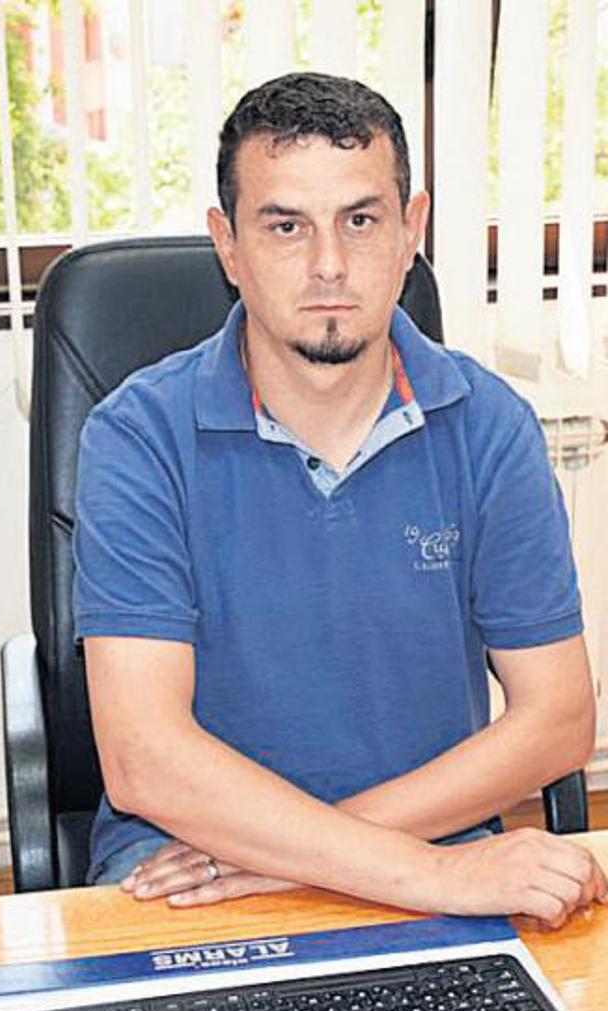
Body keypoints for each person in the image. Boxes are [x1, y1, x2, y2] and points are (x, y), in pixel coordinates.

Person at [73, 72, 607, 927]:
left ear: (410, 231)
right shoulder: (138, 436)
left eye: (360, 220)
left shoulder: (488, 425)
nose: (329, 264)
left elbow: (559, 719)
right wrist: (409, 871)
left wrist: (293, 857)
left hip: (393, 849)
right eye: (286, 226)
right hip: (185, 870)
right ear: (228, 246)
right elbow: (145, 760)